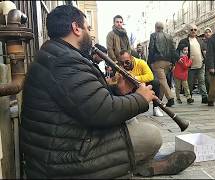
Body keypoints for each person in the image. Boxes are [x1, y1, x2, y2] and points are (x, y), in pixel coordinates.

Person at [20, 5, 195, 178]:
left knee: (131, 121)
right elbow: (101, 111)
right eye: (88, 28)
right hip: (64, 160)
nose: (91, 34)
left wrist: (117, 91)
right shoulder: (65, 61)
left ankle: (141, 164)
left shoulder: (57, 55)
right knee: (151, 136)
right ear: (76, 28)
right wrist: (141, 99)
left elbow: (85, 100)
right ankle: (140, 166)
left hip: (64, 145)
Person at [118, 50, 164, 116]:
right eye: (122, 63)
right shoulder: (120, 67)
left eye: (127, 62)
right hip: (130, 88)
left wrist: (134, 78)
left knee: (155, 82)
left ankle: (156, 107)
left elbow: (150, 76)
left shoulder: (141, 63)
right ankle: (129, 109)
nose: (124, 65)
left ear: (131, 58)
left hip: (142, 85)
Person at [148, 22, 177, 107]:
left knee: (162, 81)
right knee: (162, 81)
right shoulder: (169, 36)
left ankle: (170, 98)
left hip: (158, 61)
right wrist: (173, 62)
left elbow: (151, 49)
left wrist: (149, 62)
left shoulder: (153, 35)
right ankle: (159, 100)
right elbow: (173, 50)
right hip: (168, 61)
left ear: (156, 27)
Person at [177, 24, 208, 104]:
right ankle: (189, 97)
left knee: (202, 81)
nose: (194, 31)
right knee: (190, 83)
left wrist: (204, 59)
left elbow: (204, 50)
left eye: (195, 29)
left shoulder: (200, 40)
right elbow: (177, 52)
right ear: (188, 31)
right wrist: (179, 60)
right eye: (191, 30)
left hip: (201, 64)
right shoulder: (184, 41)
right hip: (189, 66)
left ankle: (204, 97)